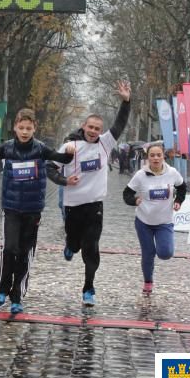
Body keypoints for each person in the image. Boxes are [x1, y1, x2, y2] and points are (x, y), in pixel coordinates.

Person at [0, 108, 75, 313]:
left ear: (34, 129)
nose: (24, 131)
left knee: (24, 252)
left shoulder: (40, 149)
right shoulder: (7, 148)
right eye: (21, 128)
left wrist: (69, 153)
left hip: (33, 209)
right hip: (11, 207)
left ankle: (17, 295)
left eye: (28, 128)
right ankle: (2, 289)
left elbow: (60, 158)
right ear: (15, 127)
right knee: (10, 248)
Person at [51, 81, 131, 306]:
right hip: (72, 205)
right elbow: (50, 168)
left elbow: (120, 124)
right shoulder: (71, 146)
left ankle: (89, 287)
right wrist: (64, 180)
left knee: (91, 247)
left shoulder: (105, 144)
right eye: (91, 127)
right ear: (83, 127)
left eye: (97, 128)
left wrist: (126, 101)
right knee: (75, 245)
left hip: (95, 205)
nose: (94, 131)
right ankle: (69, 245)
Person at [122, 143, 186, 294]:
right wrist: (134, 200)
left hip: (164, 222)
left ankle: (160, 247)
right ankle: (148, 282)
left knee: (165, 253)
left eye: (159, 155)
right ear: (148, 158)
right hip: (144, 222)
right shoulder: (140, 175)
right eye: (152, 155)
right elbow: (126, 194)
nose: (156, 158)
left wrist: (178, 201)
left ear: (163, 156)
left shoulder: (172, 172)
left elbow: (182, 187)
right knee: (148, 253)